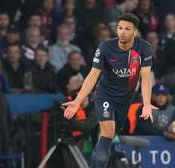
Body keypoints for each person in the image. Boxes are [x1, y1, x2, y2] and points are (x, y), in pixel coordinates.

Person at [62, 13, 156, 168]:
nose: (122, 32)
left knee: (108, 137)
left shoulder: (143, 47)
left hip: (125, 98)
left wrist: (146, 103)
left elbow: (145, 77)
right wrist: (77, 101)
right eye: (119, 28)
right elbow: (93, 75)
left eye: (127, 29)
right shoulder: (105, 47)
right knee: (108, 131)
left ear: (135, 31)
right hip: (105, 94)